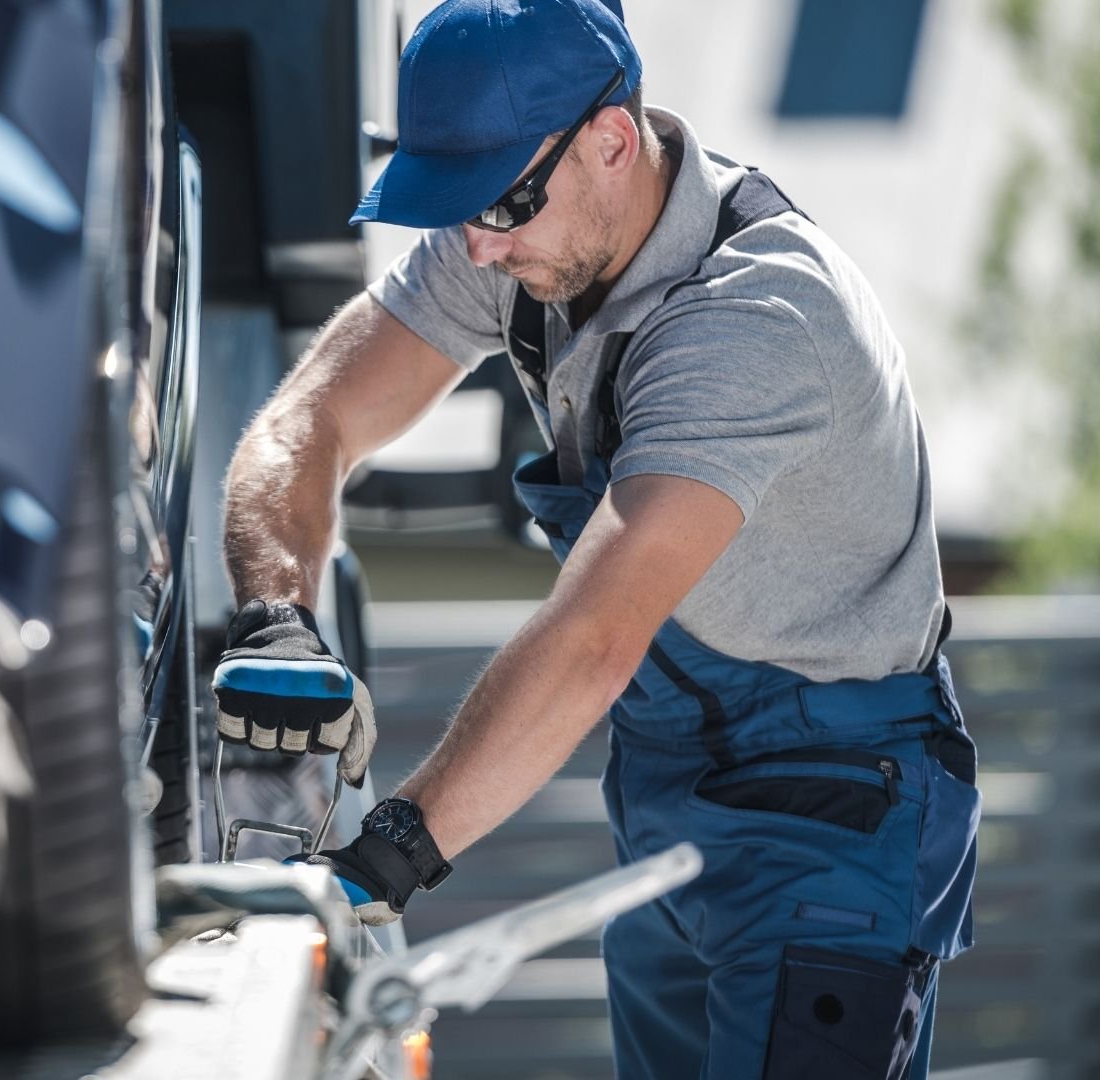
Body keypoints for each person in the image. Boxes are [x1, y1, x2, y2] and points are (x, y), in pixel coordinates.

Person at [207, 1, 981, 1075]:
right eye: (457, 205)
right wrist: (278, 620)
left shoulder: (757, 321)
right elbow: (306, 422)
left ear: (612, 141)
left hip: (834, 813)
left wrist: (381, 860)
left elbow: (596, 639)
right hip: (668, 788)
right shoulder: (524, 225)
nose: (477, 242)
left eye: (499, 205)